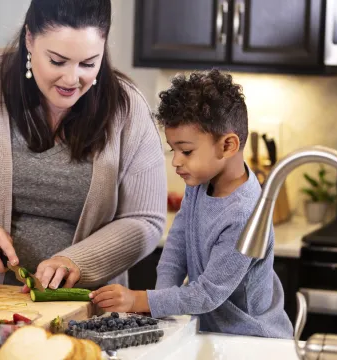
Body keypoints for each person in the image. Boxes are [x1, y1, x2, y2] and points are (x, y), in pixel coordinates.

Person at [0, 0, 166, 290]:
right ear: (30, 39)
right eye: (57, 61)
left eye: (88, 63)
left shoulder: (128, 108)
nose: (72, 79)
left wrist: (78, 262)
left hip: (83, 311)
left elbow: (144, 219)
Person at [90, 70, 294, 339]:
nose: (175, 161)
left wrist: (141, 300)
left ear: (228, 145)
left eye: (185, 151)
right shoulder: (199, 183)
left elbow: (207, 295)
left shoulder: (244, 213)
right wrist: (159, 304)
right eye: (173, 149)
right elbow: (176, 248)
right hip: (214, 335)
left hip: (253, 340)